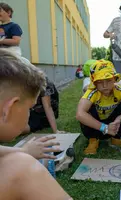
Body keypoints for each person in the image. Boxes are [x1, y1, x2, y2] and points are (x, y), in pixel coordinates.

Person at [0, 49, 72, 199]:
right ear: (9, 108)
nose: (29, 113)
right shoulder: (21, 167)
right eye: (29, 108)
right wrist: (23, 156)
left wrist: (23, 150)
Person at [76, 60, 121, 155]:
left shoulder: (119, 90)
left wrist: (120, 118)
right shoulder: (92, 92)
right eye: (100, 82)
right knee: (86, 108)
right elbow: (79, 114)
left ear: (114, 79)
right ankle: (93, 140)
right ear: (94, 83)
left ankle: (116, 139)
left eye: (108, 80)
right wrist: (105, 128)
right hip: (97, 126)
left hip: (114, 126)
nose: (105, 86)